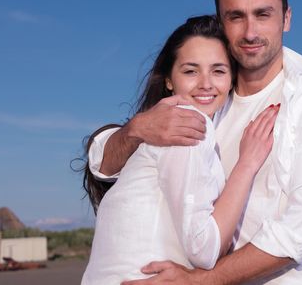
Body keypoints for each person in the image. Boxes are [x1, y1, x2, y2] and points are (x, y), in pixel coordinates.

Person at [90, 0, 302, 284]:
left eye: (263, 14)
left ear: (286, 18)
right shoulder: (207, 97)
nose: (250, 32)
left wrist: (198, 281)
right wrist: (136, 129)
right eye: (236, 17)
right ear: (222, 21)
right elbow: (104, 164)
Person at [81, 15, 279, 284]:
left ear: (232, 79)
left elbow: (98, 158)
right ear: (169, 81)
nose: (206, 83)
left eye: (218, 71)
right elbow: (204, 250)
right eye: (190, 71)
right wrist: (247, 164)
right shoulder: (186, 123)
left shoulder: (161, 126)